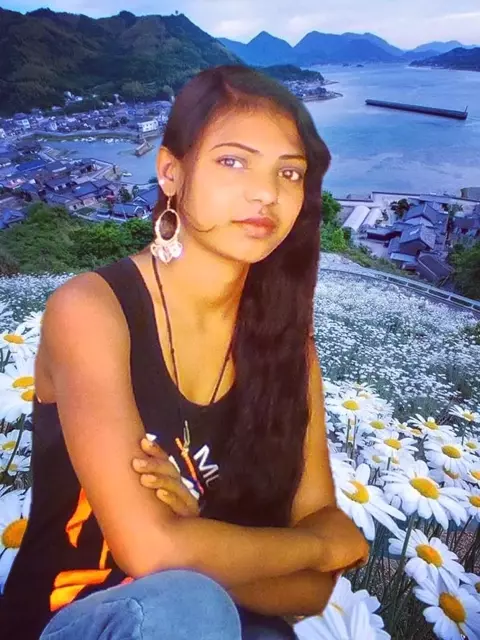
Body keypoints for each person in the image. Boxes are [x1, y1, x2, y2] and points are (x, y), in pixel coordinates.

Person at [0, 65, 369, 639]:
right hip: (70, 616)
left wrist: (197, 530)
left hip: (215, 620)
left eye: (289, 172)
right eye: (233, 161)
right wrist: (317, 545)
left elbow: (314, 591)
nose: (266, 192)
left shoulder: (288, 347)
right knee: (188, 606)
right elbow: (151, 549)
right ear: (171, 171)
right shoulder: (92, 311)